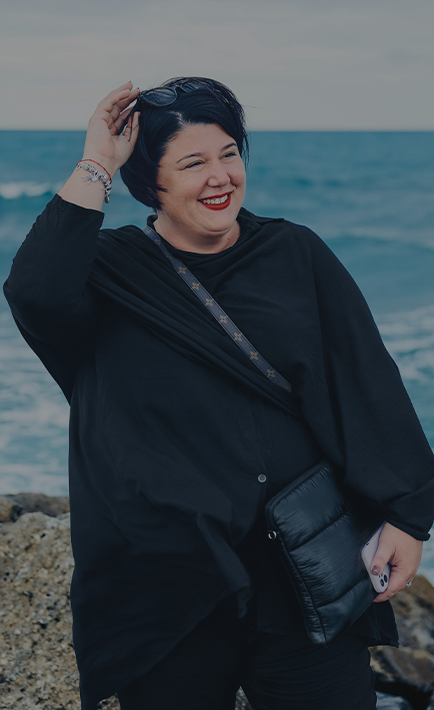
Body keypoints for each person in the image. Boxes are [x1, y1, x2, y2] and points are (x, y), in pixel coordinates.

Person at [4, 78, 434, 710]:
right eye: (193, 162)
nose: (220, 176)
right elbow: (34, 290)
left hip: (302, 569)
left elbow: (364, 379)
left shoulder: (295, 252)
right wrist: (97, 159)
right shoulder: (109, 271)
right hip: (165, 577)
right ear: (151, 182)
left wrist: (406, 513)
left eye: (229, 153)